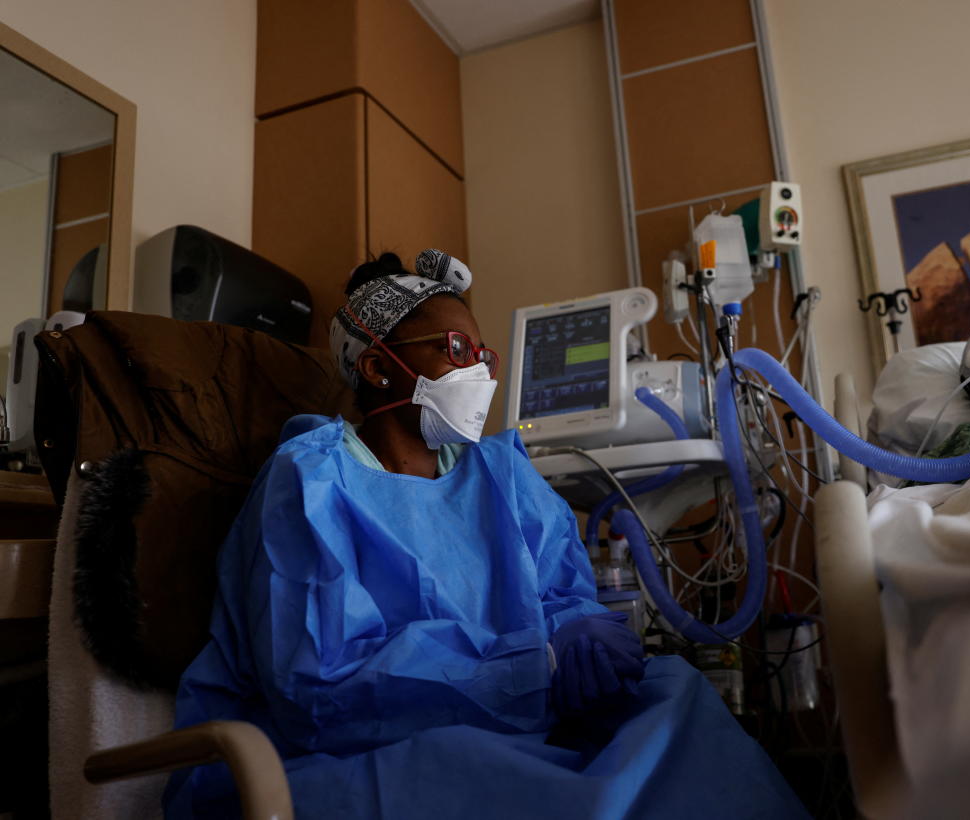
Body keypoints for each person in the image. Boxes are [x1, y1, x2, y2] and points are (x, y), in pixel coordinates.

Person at [164, 249, 808, 819]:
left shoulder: (500, 473)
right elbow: (319, 685)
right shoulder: (310, 483)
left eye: (483, 355)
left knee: (675, 693)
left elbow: (562, 595)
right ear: (379, 367)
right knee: (497, 769)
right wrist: (526, 670)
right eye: (455, 350)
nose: (479, 372)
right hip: (358, 749)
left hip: (525, 720)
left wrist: (582, 634)